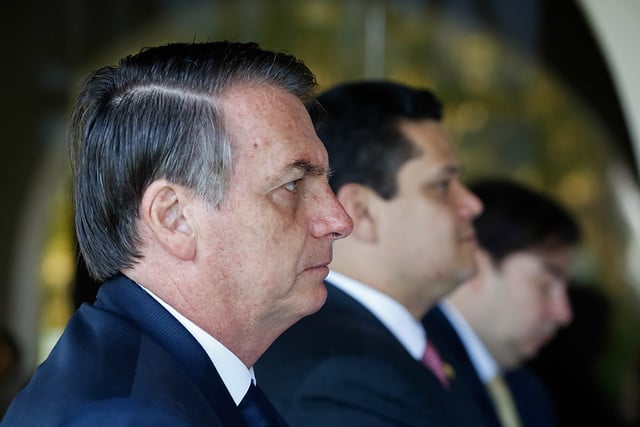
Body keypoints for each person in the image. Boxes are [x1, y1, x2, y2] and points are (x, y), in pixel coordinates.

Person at [1, 41, 353, 426]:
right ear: (174, 218)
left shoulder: (176, 380)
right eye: (292, 184)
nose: (337, 220)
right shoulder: (126, 415)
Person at [256, 80, 485, 426]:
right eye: (441, 185)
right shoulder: (336, 374)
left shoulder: (420, 343)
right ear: (361, 212)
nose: (472, 204)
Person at [423, 178, 581, 427]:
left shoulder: (528, 392)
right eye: (545, 285)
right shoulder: (416, 365)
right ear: (474, 266)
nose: (563, 314)